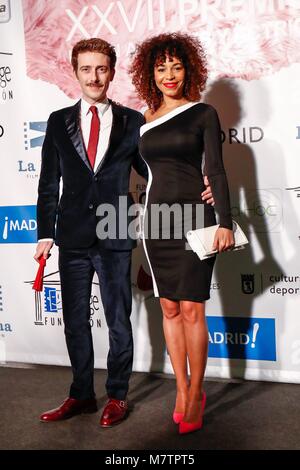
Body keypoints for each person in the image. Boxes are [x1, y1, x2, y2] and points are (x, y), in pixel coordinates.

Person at [34, 36, 216, 427]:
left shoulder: (136, 121)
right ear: (76, 72)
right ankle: (81, 394)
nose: (95, 76)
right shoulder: (56, 121)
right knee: (75, 320)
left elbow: (156, 170)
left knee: (118, 320)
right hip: (72, 236)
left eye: (102, 68)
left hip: (116, 231)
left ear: (112, 72)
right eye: (86, 69)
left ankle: (117, 395)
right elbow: (49, 182)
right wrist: (44, 234)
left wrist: (204, 179)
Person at [129, 32, 234, 434]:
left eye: (176, 66)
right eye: (161, 68)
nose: (169, 74)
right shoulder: (145, 121)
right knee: (169, 308)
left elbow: (217, 168)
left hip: (196, 218)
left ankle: (196, 394)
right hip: (157, 222)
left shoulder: (203, 113)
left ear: (188, 69)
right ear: (150, 75)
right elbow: (147, 170)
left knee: (192, 309)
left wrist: (223, 219)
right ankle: (181, 387)